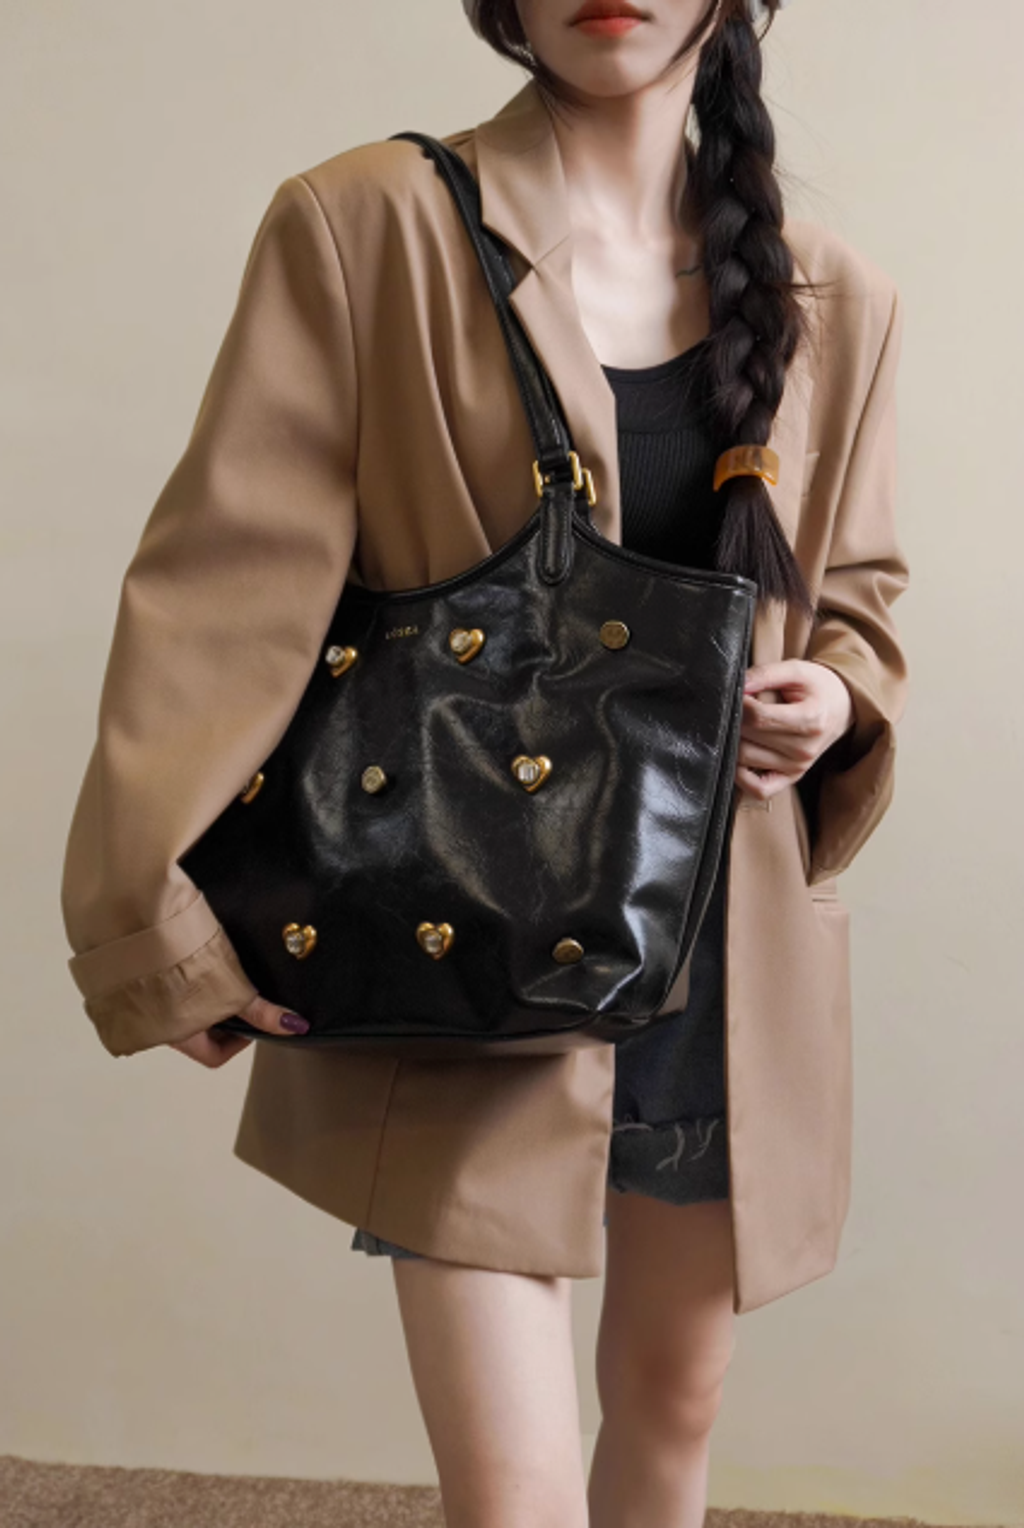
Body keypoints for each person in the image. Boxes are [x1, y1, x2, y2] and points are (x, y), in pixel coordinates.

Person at [61, 2, 909, 1525]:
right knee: (511, 1496)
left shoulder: (834, 293)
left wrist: (836, 699)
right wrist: (154, 927)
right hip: (465, 926)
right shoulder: (368, 224)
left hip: (726, 950)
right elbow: (222, 591)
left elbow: (858, 593)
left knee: (676, 1404)